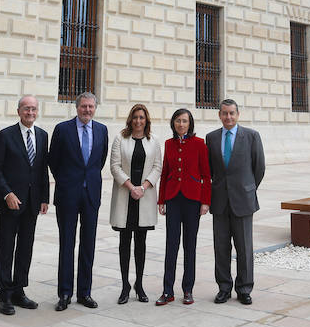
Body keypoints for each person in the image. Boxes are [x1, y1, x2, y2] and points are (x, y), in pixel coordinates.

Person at [48, 92, 108, 311]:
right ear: (76, 108)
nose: (87, 110)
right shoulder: (62, 130)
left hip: (91, 194)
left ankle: (85, 292)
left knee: (88, 244)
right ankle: (64, 293)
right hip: (67, 194)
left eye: (91, 107)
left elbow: (99, 161)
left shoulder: (101, 130)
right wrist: (67, 180)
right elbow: (53, 160)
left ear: (95, 108)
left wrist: (87, 180)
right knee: (67, 243)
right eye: (84, 106)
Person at [0, 95, 49, 315]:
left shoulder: (42, 136)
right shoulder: (5, 136)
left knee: (26, 247)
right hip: (10, 203)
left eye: (33, 109)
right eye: (26, 109)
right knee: (6, 248)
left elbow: (42, 169)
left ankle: (19, 290)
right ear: (18, 111)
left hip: (32, 203)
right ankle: (4, 293)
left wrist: (44, 197)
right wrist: (7, 194)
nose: (30, 113)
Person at [206, 99, 265, 306]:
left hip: (243, 200)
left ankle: (244, 288)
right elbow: (210, 170)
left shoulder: (251, 136)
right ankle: (224, 287)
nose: (228, 117)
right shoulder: (211, 138)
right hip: (220, 201)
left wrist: (247, 188)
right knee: (220, 247)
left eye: (232, 113)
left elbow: (259, 168)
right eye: (224, 113)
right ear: (220, 115)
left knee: (244, 248)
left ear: (238, 114)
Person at [156, 108, 211, 306]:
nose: (181, 124)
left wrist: (205, 201)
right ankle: (167, 290)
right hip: (173, 199)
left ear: (190, 124)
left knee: (190, 245)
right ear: (173, 123)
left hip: (192, 199)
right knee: (171, 245)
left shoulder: (199, 144)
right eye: (178, 121)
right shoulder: (168, 144)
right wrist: (161, 200)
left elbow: (206, 175)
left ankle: (188, 289)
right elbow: (165, 173)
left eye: (184, 121)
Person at [109, 104, 162, 304]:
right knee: (124, 243)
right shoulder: (120, 139)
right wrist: (132, 187)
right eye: (135, 117)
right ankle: (124, 286)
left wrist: (143, 187)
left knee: (141, 244)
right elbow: (114, 166)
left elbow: (158, 166)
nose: (138, 121)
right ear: (130, 120)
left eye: (142, 118)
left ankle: (139, 285)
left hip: (144, 198)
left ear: (146, 120)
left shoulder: (153, 140)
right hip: (126, 197)